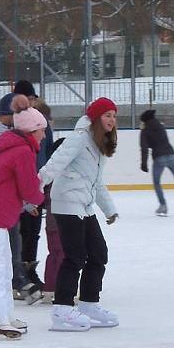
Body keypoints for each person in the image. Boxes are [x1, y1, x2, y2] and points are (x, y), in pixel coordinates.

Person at [39, 97, 119, 332]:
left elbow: (97, 182)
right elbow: (55, 164)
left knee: (98, 253)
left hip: (84, 204)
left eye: (114, 116)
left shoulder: (99, 144)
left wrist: (109, 208)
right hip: (66, 203)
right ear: (95, 118)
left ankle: (89, 303)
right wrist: (34, 190)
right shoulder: (79, 138)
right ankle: (62, 309)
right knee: (74, 256)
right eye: (107, 115)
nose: (112, 120)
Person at [0, 108, 47, 339]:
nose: (44, 136)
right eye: (42, 131)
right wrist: (39, 196)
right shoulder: (21, 151)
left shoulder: (13, 147)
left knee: (3, 267)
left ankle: (5, 315)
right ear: (33, 130)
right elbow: (28, 188)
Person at [19, 98, 54, 287]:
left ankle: (27, 273)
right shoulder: (20, 136)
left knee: (30, 233)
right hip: (25, 191)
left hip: (36, 188)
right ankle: (21, 275)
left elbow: (47, 159)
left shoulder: (44, 129)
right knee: (24, 233)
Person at [41, 138, 66, 303]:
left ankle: (50, 288)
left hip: (51, 222)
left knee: (54, 254)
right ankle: (58, 288)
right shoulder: (61, 174)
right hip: (60, 222)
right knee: (62, 255)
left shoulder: (51, 173)